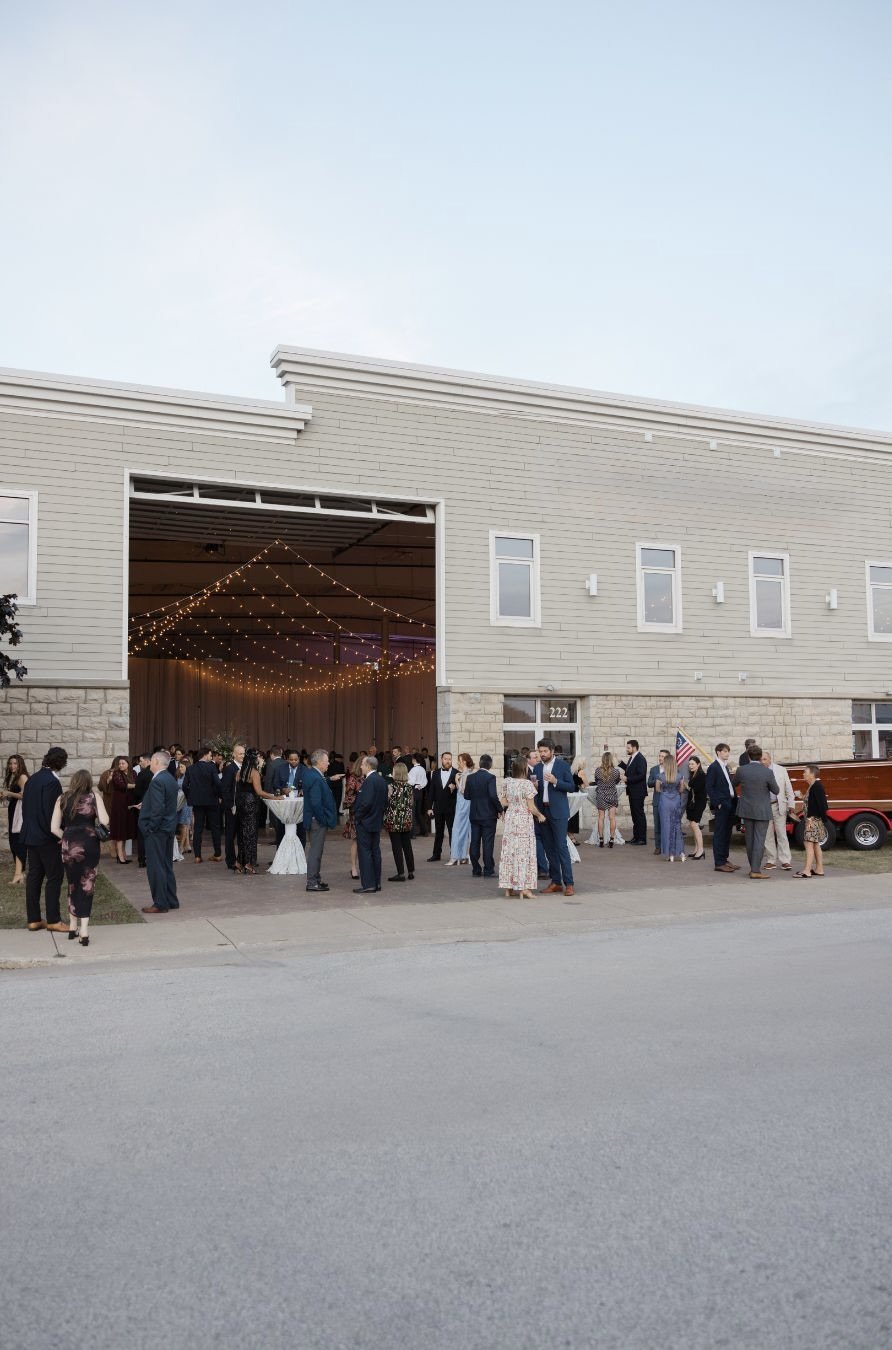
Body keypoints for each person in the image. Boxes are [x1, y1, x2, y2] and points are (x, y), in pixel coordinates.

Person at [51, 769, 110, 947]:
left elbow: (53, 828)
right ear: (88, 782)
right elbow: (105, 820)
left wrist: (66, 837)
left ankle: (72, 926)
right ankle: (84, 931)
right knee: (87, 884)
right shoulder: (94, 796)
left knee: (72, 884)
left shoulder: (62, 798)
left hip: (69, 845)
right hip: (90, 844)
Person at [20, 746, 69, 932]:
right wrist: (59, 833)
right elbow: (52, 812)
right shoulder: (52, 782)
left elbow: (27, 808)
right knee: (55, 877)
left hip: (31, 836)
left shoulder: (32, 779)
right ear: (62, 763)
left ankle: (33, 919)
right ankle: (54, 920)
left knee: (34, 877)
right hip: (47, 837)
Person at [498, 754, 547, 898]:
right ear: (524, 768)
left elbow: (503, 801)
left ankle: (508, 887)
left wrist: (514, 802)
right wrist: (540, 815)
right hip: (523, 821)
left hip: (511, 819)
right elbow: (531, 807)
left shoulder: (507, 782)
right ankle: (525, 888)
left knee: (509, 852)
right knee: (524, 853)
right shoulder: (527, 784)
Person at [532, 738, 575, 896]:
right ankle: (556, 882)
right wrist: (534, 787)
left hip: (558, 813)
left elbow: (571, 786)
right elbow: (534, 790)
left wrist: (556, 781)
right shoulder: (536, 768)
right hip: (543, 813)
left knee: (561, 847)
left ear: (552, 751)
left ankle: (569, 883)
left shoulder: (563, 766)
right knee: (549, 849)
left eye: (544, 751)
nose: (542, 754)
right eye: (540, 751)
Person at [139, 750, 180, 913]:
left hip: (157, 830)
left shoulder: (157, 780)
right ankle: (171, 899)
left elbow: (158, 808)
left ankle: (160, 903)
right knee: (166, 865)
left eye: (151, 760)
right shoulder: (170, 778)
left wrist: (151, 827)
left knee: (156, 867)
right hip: (168, 827)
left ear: (156, 761)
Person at [735, 744, 779, 879]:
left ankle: (752, 867)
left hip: (747, 809)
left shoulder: (741, 770)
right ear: (760, 757)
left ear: (748, 756)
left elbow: (734, 783)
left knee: (750, 840)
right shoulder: (767, 771)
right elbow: (776, 790)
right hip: (762, 810)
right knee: (759, 840)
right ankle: (755, 870)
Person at [302, 749, 338, 893]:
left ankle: (316, 879)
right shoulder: (316, 777)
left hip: (314, 819)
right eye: (326, 761)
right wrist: (323, 819)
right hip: (317, 820)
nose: (328, 763)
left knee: (316, 851)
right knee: (316, 852)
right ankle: (312, 882)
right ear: (319, 762)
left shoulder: (313, 774)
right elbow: (316, 803)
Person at [353, 755, 389, 893]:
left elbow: (366, 803)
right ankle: (376, 883)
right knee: (375, 852)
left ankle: (368, 884)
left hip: (366, 822)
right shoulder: (381, 780)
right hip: (376, 822)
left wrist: (358, 816)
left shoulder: (369, 781)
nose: (361, 766)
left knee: (365, 853)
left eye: (362, 764)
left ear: (368, 765)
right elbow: (385, 802)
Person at [183, 745, 223, 863]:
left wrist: (190, 796)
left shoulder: (190, 768)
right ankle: (217, 854)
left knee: (198, 829)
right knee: (215, 828)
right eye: (210, 755)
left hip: (197, 802)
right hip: (212, 801)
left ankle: (197, 856)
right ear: (205, 755)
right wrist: (220, 796)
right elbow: (218, 784)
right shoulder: (212, 767)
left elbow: (185, 786)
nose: (211, 757)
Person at [464, 754, 502, 878]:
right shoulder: (490, 777)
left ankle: (476, 869)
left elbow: (466, 796)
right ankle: (488, 869)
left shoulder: (471, 778)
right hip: (488, 815)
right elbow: (492, 795)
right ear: (490, 765)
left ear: (480, 764)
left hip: (474, 815)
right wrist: (500, 809)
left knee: (474, 842)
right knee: (488, 842)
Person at [705, 743, 740, 873]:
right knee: (720, 833)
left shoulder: (725, 767)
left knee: (727, 833)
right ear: (718, 752)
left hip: (730, 803)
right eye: (725, 751)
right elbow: (709, 787)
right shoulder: (714, 767)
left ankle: (724, 859)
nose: (727, 753)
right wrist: (717, 803)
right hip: (722, 804)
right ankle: (719, 862)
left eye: (728, 751)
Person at [760, 750, 796, 872]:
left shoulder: (781, 770)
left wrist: (791, 804)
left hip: (779, 805)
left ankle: (785, 860)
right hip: (765, 806)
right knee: (767, 835)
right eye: (760, 759)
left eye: (764, 759)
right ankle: (771, 860)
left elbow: (788, 788)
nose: (762, 761)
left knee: (782, 834)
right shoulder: (759, 772)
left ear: (770, 759)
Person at [794, 764, 829, 879]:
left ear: (812, 774)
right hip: (813, 819)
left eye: (805, 772)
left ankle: (807, 870)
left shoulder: (817, 786)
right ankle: (819, 869)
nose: (803, 774)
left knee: (808, 844)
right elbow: (812, 801)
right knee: (815, 844)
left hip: (812, 820)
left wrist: (818, 819)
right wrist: (802, 796)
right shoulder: (813, 786)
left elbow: (823, 805)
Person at [234, 748, 264, 875]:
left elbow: (237, 789)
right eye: (258, 757)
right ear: (254, 759)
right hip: (251, 805)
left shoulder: (239, 772)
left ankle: (239, 863)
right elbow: (259, 792)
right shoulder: (254, 773)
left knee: (242, 833)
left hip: (241, 804)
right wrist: (275, 796)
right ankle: (249, 863)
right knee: (251, 834)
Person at [384, 761, 415, 881]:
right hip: (406, 820)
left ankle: (401, 873)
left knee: (397, 847)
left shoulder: (391, 787)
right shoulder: (409, 787)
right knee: (407, 845)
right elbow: (411, 803)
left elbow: (387, 802)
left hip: (394, 821)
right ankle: (411, 871)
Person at [655, 753, 688, 862]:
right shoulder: (679, 776)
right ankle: (681, 852)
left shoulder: (660, 776)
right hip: (675, 801)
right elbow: (681, 790)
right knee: (676, 826)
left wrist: (666, 792)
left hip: (664, 801)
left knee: (666, 826)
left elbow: (658, 789)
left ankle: (670, 854)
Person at [1, 754, 29, 884]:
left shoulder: (22, 777)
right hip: (15, 813)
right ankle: (21, 874)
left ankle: (18, 874)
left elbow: (25, 796)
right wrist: (5, 796)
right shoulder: (16, 777)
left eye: (15, 763)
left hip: (20, 816)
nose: (12, 766)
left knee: (17, 843)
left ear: (20, 764)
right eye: (10, 763)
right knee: (16, 842)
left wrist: (8, 793)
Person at [426, 751, 458, 861]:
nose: (448, 761)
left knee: (452, 832)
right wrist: (429, 807)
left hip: (451, 808)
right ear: (441, 759)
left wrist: (455, 789)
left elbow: (462, 792)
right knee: (438, 832)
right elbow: (431, 791)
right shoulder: (435, 773)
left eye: (449, 759)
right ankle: (436, 854)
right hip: (438, 807)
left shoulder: (456, 773)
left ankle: (454, 854)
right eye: (446, 759)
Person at [445, 753, 474, 865]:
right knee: (465, 830)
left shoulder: (465, 774)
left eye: (459, 760)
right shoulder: (467, 773)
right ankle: (464, 855)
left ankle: (455, 857)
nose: (457, 762)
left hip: (463, 805)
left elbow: (463, 791)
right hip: (465, 804)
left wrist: (456, 781)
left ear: (464, 762)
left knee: (457, 829)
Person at [220, 744, 245, 870]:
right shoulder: (229, 769)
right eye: (240, 754)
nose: (242, 756)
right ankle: (230, 861)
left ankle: (241, 859)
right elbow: (224, 789)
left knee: (241, 834)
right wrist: (230, 806)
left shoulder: (245, 768)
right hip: (232, 808)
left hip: (243, 808)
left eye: (243, 753)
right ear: (234, 755)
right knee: (230, 835)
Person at [526, 748, 550, 875]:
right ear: (528, 760)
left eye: (537, 756)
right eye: (534, 757)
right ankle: (542, 867)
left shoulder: (540, 769)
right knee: (537, 838)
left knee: (540, 838)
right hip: (533, 808)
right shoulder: (527, 772)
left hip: (540, 808)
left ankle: (543, 867)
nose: (538, 758)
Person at [620, 740, 648, 845]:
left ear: (634, 747)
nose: (627, 749)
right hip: (632, 791)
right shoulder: (633, 758)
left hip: (638, 792)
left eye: (628, 748)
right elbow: (630, 769)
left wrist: (627, 779)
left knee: (639, 815)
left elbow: (641, 775)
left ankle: (642, 839)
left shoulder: (640, 759)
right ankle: (636, 837)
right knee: (634, 815)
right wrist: (620, 763)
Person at [342, 752, 363, 880]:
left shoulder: (368, 778)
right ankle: (354, 867)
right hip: (356, 814)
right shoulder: (353, 779)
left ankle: (364, 866)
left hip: (367, 815)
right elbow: (348, 798)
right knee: (356, 841)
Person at [593, 751, 622, 847]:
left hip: (601, 795)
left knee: (601, 817)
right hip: (612, 795)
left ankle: (601, 839)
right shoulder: (616, 771)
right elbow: (617, 781)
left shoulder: (597, 770)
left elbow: (596, 781)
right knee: (612, 818)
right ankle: (612, 839)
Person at [646, 750, 669, 854]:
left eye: (663, 756)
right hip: (657, 800)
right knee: (658, 824)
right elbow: (649, 783)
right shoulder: (654, 769)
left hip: (669, 801)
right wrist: (657, 781)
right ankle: (658, 846)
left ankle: (667, 846)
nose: (660, 758)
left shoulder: (671, 769)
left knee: (667, 825)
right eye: (659, 756)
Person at [685, 756, 708, 859]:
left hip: (699, 803)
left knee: (695, 825)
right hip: (692, 803)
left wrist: (686, 785)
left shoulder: (701, 775)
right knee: (692, 825)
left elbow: (696, 788)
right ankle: (696, 849)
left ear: (698, 764)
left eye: (693, 764)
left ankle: (701, 850)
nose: (690, 766)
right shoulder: (693, 774)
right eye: (689, 764)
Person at [568, 756, 589, 842]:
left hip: (569, 794)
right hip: (575, 796)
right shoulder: (581, 772)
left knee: (569, 814)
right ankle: (571, 836)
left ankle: (569, 835)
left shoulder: (572, 771)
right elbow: (585, 785)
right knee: (573, 815)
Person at [408, 752, 429, 837]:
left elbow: (412, 782)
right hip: (420, 791)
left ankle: (412, 833)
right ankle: (424, 830)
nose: (411, 760)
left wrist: (405, 780)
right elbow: (425, 782)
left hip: (413, 791)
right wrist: (420, 786)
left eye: (412, 758)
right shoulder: (422, 769)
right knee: (419, 813)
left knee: (412, 812)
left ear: (415, 760)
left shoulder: (414, 769)